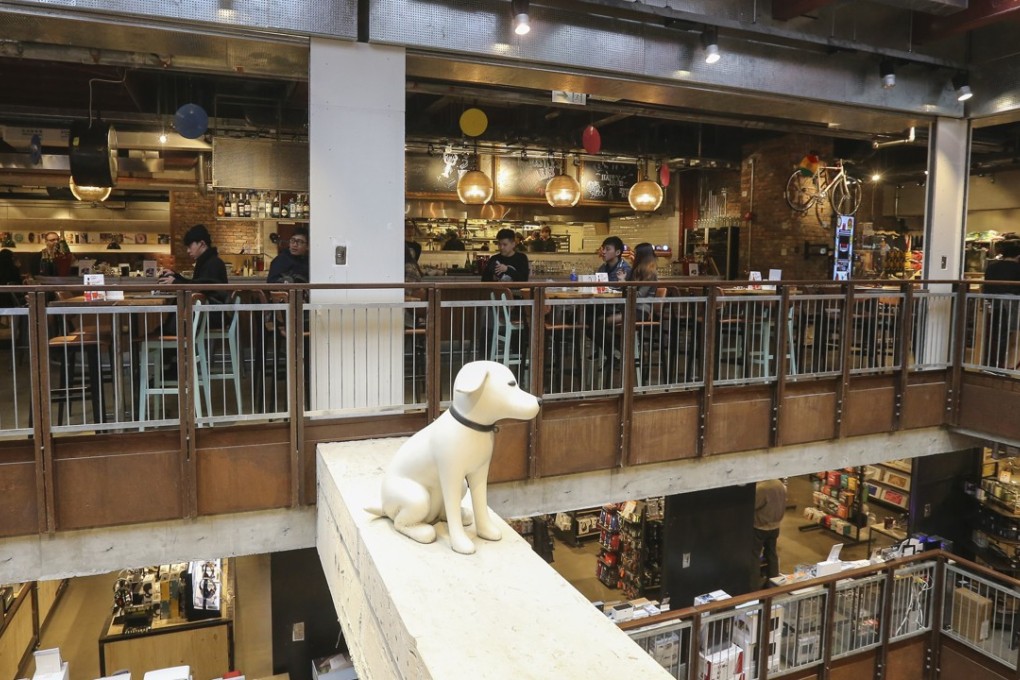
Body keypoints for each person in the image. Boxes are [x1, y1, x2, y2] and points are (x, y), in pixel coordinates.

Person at [158, 224, 228, 303]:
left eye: (190, 246)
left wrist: (175, 282)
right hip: (205, 312)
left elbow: (199, 287)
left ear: (202, 244)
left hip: (210, 313)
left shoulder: (214, 264)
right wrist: (175, 276)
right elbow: (196, 284)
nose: (188, 251)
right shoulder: (208, 261)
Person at [983, 239, 1020, 369]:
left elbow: (986, 285)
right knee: (1007, 336)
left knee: (994, 335)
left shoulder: (992, 267)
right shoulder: (1017, 268)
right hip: (1010, 304)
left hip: (993, 303)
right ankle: (1003, 365)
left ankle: (990, 364)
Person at [753, 479, 787, 586]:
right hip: (775, 526)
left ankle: (753, 585)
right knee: (772, 554)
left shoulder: (762, 488)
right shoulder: (779, 484)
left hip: (760, 527)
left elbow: (753, 505)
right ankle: (773, 582)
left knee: (754, 557)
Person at [627, 242, 659, 320]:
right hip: (632, 308)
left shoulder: (650, 273)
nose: (633, 256)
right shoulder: (637, 271)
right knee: (602, 318)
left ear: (640, 256)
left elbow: (639, 295)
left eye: (635, 254)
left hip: (641, 310)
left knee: (603, 321)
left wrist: (624, 286)